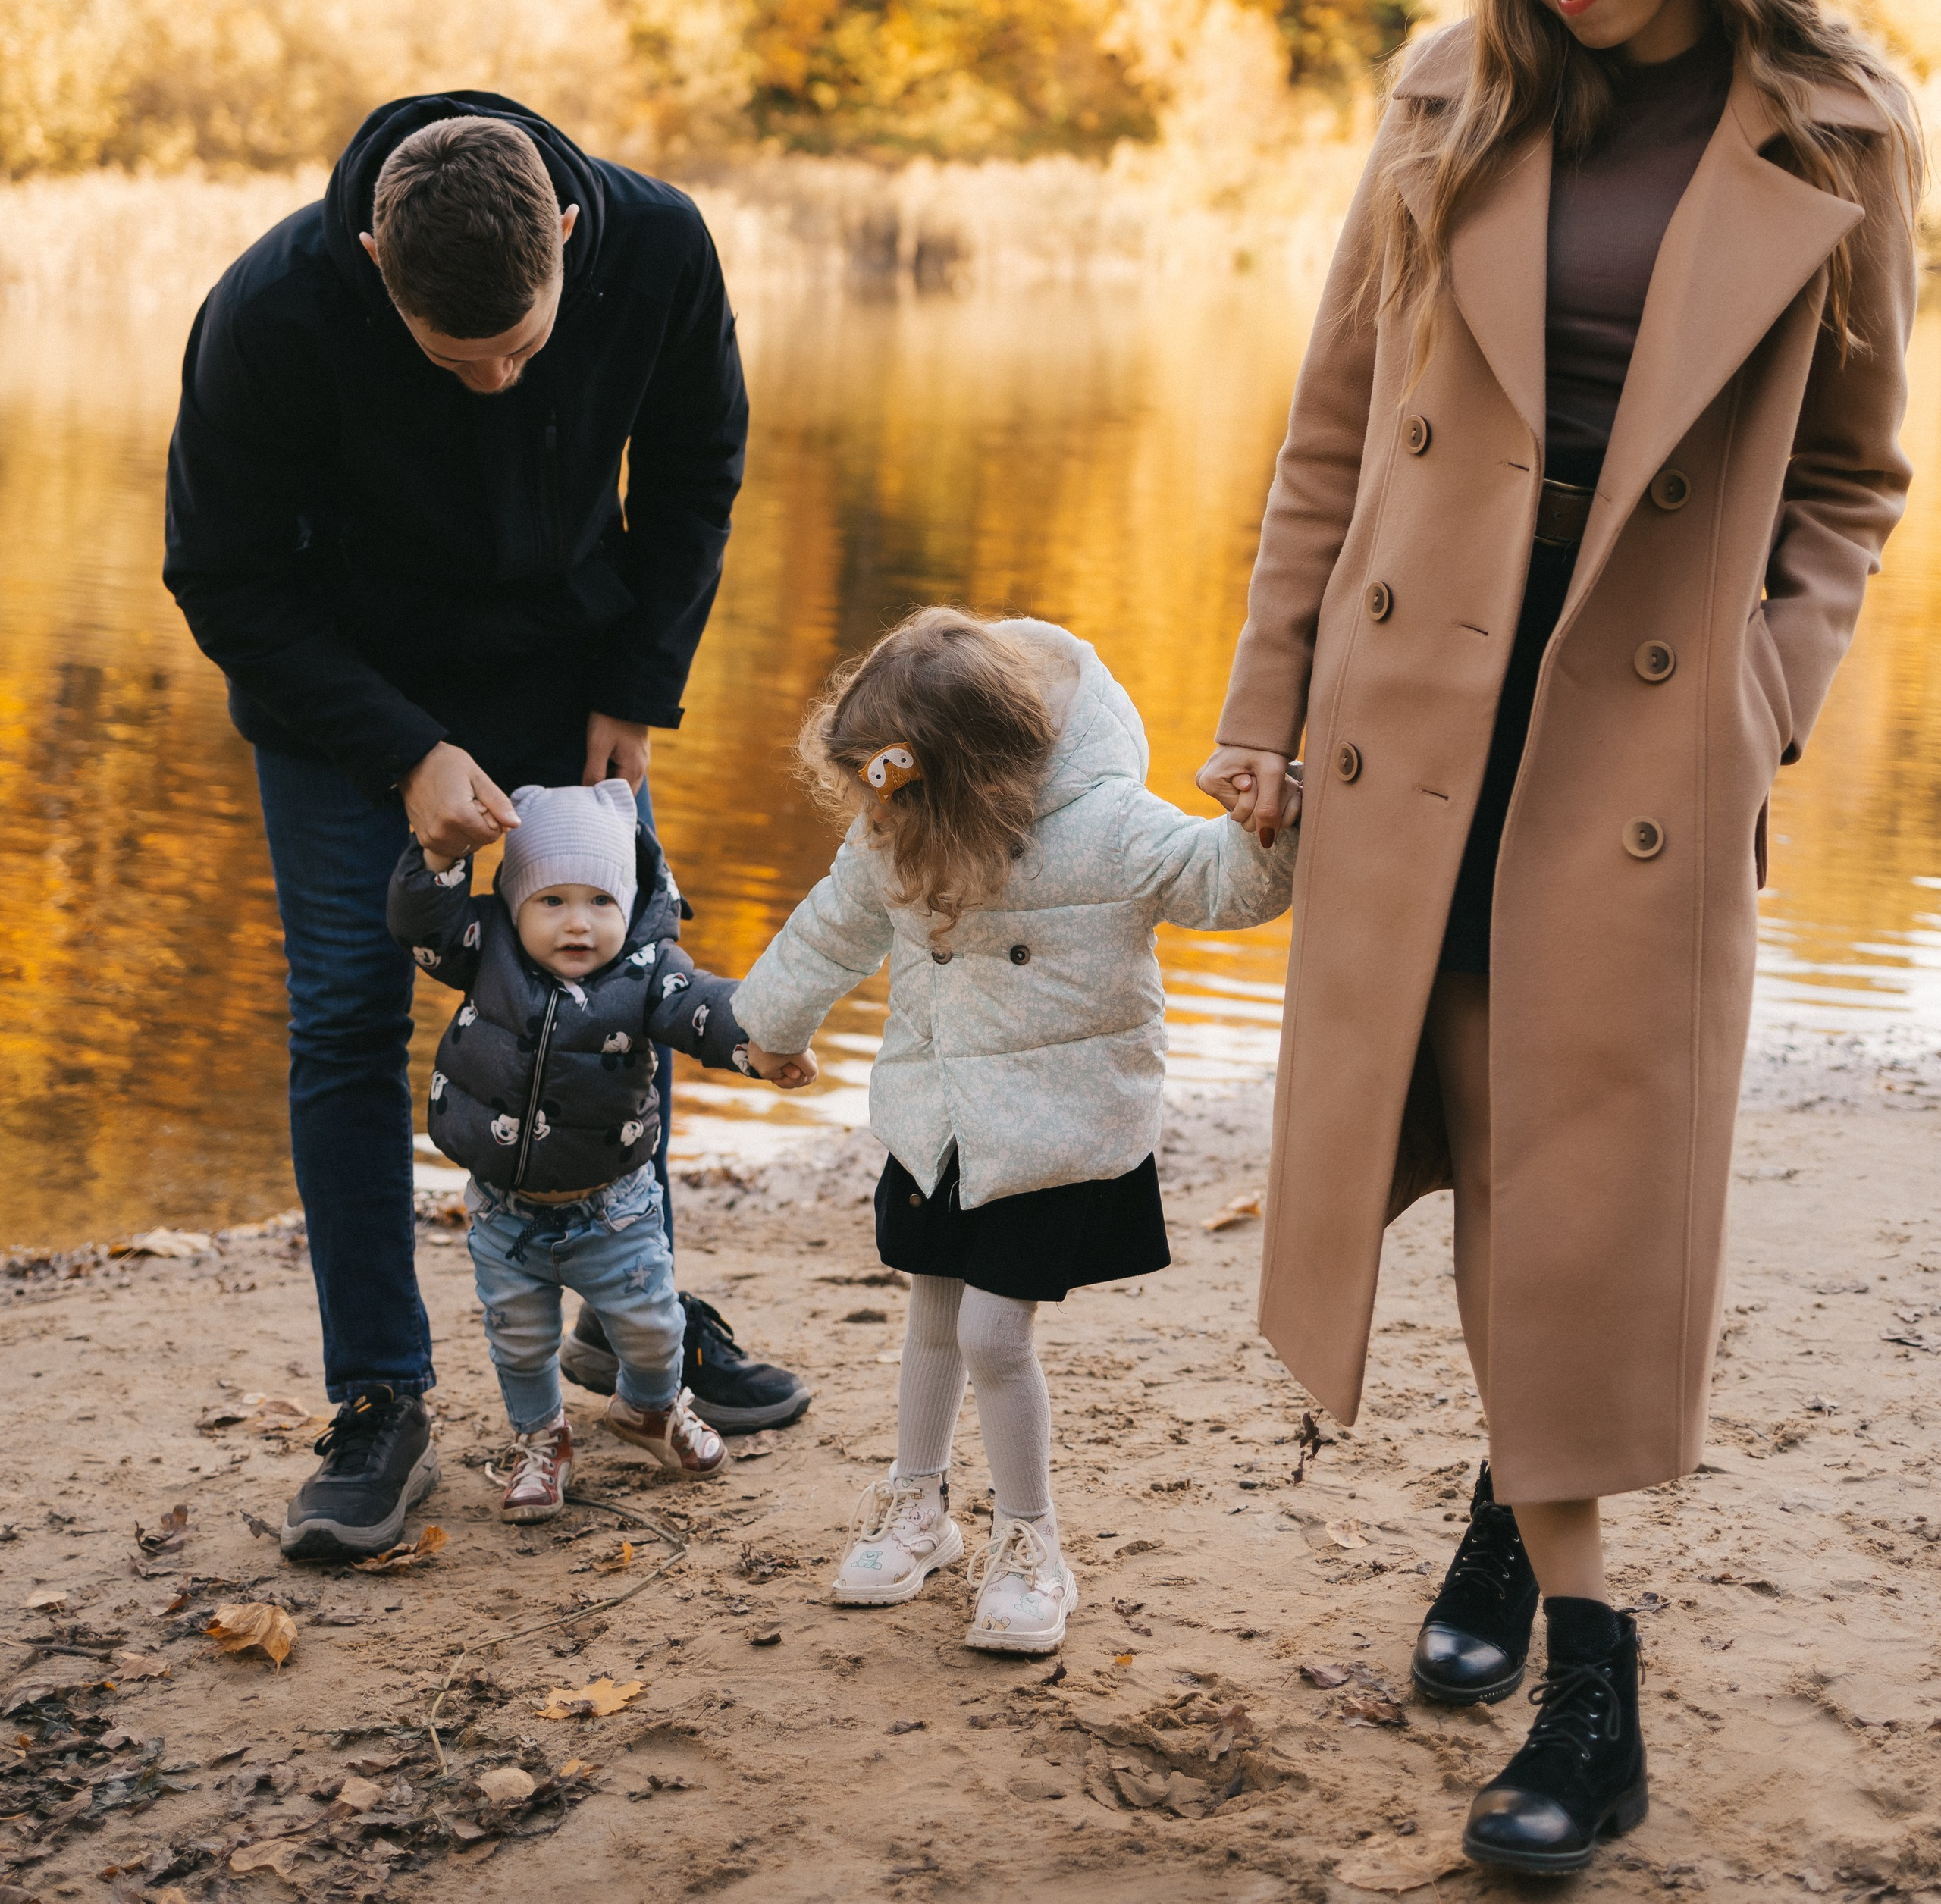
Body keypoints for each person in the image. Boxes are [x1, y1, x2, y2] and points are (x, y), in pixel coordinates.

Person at [1199, 0, 1920, 1874]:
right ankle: (1514, 1531)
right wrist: (1261, 705)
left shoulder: (1841, 131)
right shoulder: (1453, 92)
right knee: (1479, 1152)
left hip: (1642, 736)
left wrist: (1761, 702)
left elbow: (1854, 476)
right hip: (1419, 714)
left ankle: (1587, 1688)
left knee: (1578, 1188)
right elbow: (1333, 433)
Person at [164, 93, 807, 1564]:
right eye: (461, 362)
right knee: (343, 1017)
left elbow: (698, 467)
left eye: (524, 346)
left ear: (567, 239)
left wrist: (638, 684)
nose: (501, 383)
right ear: (375, 254)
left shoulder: (654, 247)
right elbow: (219, 577)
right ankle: (380, 1400)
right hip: (346, 705)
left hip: (567, 677)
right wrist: (402, 754)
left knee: (614, 990)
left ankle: (625, 1322)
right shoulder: (268, 314)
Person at [730, 605, 1298, 1655]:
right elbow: (831, 928)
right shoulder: (896, 824)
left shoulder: (1107, 826)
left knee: (995, 1335)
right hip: (938, 1121)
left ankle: (1033, 1542)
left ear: (974, 773)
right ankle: (918, 1508)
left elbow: (1224, 883)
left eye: (895, 795)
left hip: (1053, 1131)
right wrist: (766, 1029)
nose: (878, 821)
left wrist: (1274, 819)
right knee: (932, 1317)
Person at [387, 777, 814, 1523]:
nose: (577, 923)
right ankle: (541, 1441)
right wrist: (439, 856)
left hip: (615, 1211)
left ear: (628, 906)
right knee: (520, 1343)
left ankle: (649, 1410)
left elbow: (707, 1010)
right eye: (551, 901)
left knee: (652, 1329)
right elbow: (420, 923)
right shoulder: (485, 954)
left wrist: (762, 1048)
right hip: (505, 1216)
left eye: (600, 901)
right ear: (514, 904)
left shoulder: (647, 973)